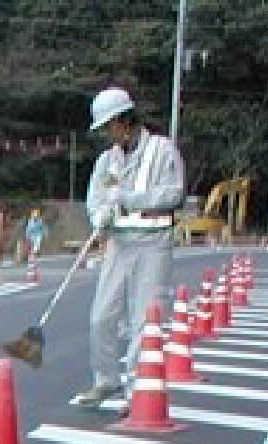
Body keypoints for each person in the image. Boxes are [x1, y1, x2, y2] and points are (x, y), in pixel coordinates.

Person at [73, 86, 185, 408]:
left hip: (153, 243)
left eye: (110, 126)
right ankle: (105, 380)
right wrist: (100, 216)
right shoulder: (106, 161)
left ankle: (137, 388)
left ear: (126, 120)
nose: (108, 134)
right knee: (101, 316)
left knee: (144, 317)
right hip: (119, 244)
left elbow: (173, 194)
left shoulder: (163, 151)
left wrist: (127, 201)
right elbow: (94, 199)